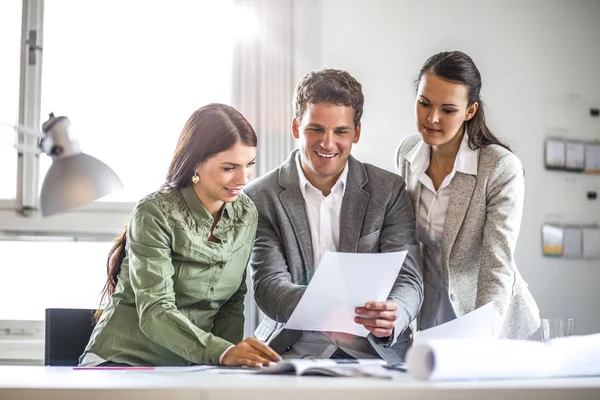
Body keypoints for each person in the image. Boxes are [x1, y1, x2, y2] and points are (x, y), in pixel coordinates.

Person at [80, 103, 280, 367]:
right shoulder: (154, 212)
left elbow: (232, 302)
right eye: (229, 167)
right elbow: (155, 311)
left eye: (249, 164)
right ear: (196, 163)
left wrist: (228, 365)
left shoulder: (246, 214)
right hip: (125, 361)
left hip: (193, 370)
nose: (243, 179)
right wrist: (220, 352)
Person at [245, 69, 423, 363]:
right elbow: (269, 285)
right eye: (315, 129)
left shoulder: (388, 190)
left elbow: (409, 278)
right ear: (295, 127)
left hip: (375, 354)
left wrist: (395, 313)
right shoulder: (260, 197)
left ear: (357, 132)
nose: (327, 143)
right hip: (290, 351)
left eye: (340, 131)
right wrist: (326, 306)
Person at [395, 51, 540, 338]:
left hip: (489, 324)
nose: (432, 118)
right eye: (424, 103)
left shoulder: (499, 167)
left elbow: (497, 266)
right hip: (427, 320)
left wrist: (482, 340)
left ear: (470, 111)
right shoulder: (407, 154)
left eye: (448, 110)